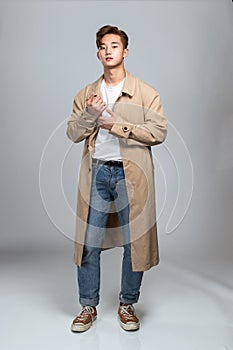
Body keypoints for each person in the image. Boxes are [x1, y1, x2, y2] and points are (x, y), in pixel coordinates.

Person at [66, 24, 167, 333]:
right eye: (102, 46)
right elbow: (72, 133)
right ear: (98, 53)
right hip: (97, 173)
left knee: (134, 243)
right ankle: (87, 306)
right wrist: (90, 116)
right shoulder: (87, 94)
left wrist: (115, 125)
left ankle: (127, 304)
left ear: (125, 52)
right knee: (88, 244)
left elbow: (159, 132)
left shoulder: (145, 92)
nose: (107, 50)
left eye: (114, 45)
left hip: (131, 176)